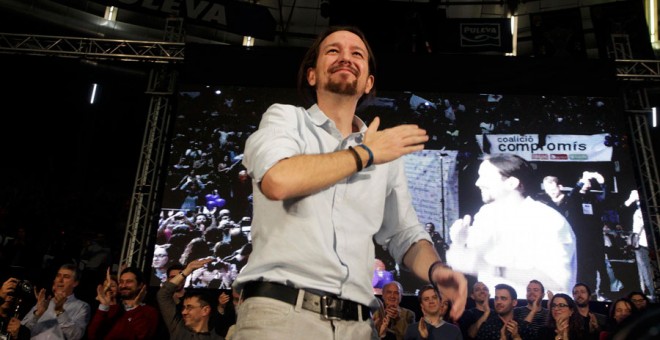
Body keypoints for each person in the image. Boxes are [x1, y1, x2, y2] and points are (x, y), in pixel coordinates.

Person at [230, 25, 467, 340]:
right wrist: (366, 153)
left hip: (357, 325)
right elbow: (279, 180)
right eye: (333, 51)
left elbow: (405, 234)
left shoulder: (385, 155)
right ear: (312, 75)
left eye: (357, 54)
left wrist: (437, 270)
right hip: (280, 315)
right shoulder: (286, 120)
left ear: (368, 82)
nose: (346, 58)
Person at [447, 153, 577, 295]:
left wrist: (491, 268)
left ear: (511, 183)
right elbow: (468, 263)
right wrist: (459, 243)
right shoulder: (485, 215)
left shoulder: (546, 220)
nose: (477, 183)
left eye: (485, 176)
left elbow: (557, 282)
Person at [540, 172, 611, 300]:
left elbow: (602, 198)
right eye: (547, 189)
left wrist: (600, 183)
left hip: (588, 240)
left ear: (559, 187)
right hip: (566, 241)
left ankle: (595, 293)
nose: (550, 192)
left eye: (553, 188)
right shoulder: (550, 204)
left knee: (593, 267)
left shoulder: (581, 199)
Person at [157, 257, 223, 339]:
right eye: (184, 307)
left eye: (189, 307)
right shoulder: (179, 330)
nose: (183, 312)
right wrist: (188, 270)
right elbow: (163, 294)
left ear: (205, 310)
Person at [20, 263, 91, 340]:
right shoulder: (44, 302)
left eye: (66, 277)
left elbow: (75, 336)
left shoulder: (82, 306)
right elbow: (20, 329)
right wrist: (37, 314)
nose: (60, 280)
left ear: (75, 283)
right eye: (58, 276)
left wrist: (60, 311)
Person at [87, 266, 159, 340]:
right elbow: (92, 335)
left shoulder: (149, 311)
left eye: (129, 282)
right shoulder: (111, 308)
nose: (124, 285)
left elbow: (144, 336)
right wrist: (103, 306)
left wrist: (134, 308)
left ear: (140, 285)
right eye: (121, 282)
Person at [625, 189, 656, 301]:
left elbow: (637, 231)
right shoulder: (650, 211)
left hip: (642, 245)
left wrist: (633, 243)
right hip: (647, 244)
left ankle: (652, 293)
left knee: (645, 270)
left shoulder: (638, 213)